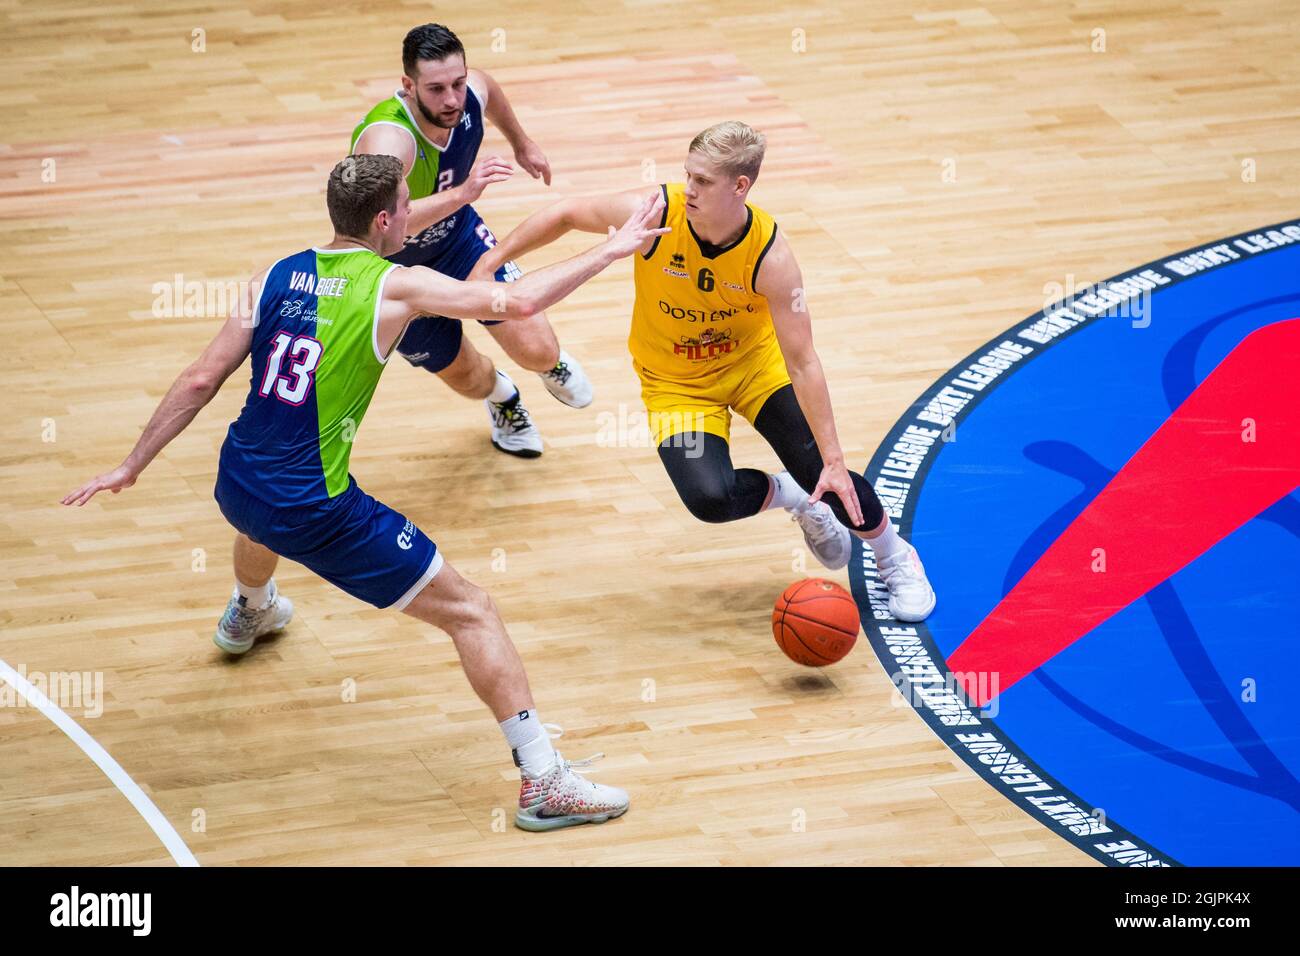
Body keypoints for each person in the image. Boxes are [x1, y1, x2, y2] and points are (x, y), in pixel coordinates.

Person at [61, 154, 670, 830]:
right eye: (406, 207)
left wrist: (131, 464)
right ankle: (543, 780)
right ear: (385, 220)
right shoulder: (398, 286)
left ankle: (251, 608)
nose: (413, 215)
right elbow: (517, 301)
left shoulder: (275, 272)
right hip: (316, 507)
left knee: (262, 509)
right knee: (472, 610)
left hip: (235, 479)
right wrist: (613, 250)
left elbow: (201, 378)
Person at [470, 122, 936, 621]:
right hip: (676, 383)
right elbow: (564, 212)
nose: (689, 189)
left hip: (753, 369)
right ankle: (793, 497)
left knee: (826, 473)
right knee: (710, 499)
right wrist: (490, 260)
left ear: (741, 186)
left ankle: (894, 554)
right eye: (688, 175)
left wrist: (835, 458)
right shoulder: (656, 213)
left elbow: (803, 360)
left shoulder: (770, 255)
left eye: (704, 182)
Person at [351, 22, 588, 457]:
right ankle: (503, 398)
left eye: (457, 83)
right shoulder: (388, 141)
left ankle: (547, 366)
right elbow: (377, 222)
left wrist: (522, 142)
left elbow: (489, 90)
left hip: (458, 240)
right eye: (437, 88)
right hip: (396, 274)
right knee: (468, 380)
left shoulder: (470, 92)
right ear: (408, 85)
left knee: (538, 349)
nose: (452, 99)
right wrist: (463, 193)